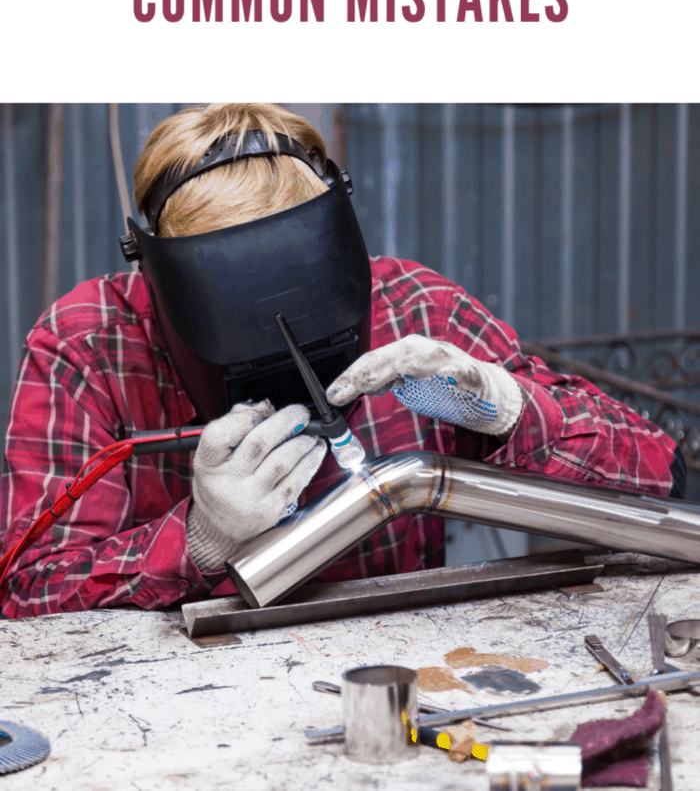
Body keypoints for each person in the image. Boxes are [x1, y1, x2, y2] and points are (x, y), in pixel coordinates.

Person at [0, 103, 685, 619]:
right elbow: (28, 596)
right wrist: (199, 541)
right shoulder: (90, 344)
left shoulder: (416, 310)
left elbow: (658, 476)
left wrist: (504, 407)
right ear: (159, 281)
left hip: (386, 666)